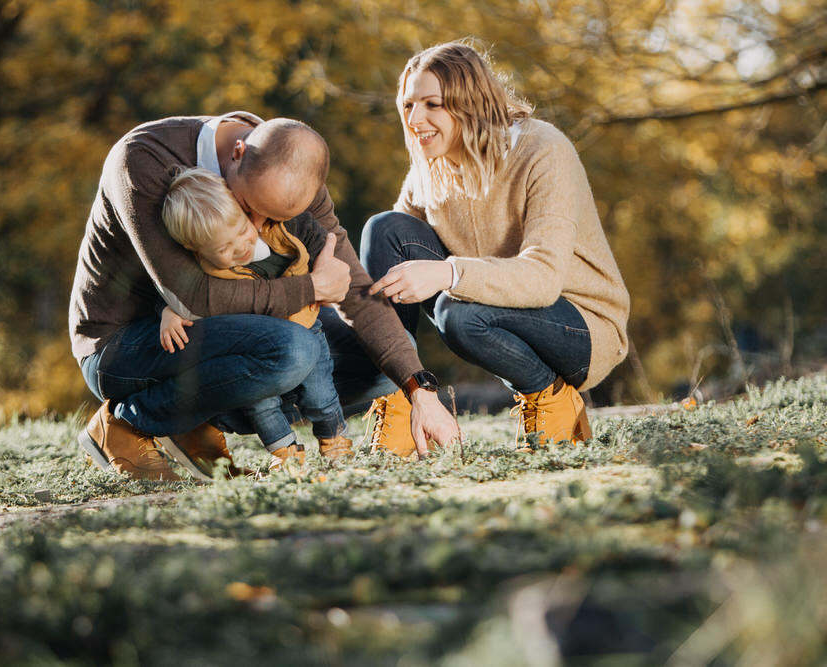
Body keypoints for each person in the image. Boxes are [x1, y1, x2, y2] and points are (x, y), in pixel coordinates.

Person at [69, 113, 460, 481]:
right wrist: (309, 288)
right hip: (127, 343)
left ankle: (196, 415)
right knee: (293, 350)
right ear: (237, 154)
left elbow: (356, 290)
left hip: (234, 331)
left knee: (387, 355)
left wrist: (418, 389)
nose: (256, 233)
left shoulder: (292, 173)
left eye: (273, 219)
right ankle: (127, 422)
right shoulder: (143, 158)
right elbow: (193, 296)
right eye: (250, 209)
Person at [361, 41, 630, 446]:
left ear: (469, 103)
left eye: (432, 104)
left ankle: (551, 398)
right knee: (383, 229)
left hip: (580, 324)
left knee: (459, 314)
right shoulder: (429, 169)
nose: (415, 119)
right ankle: (403, 400)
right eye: (409, 105)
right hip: (484, 305)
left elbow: (542, 278)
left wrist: (449, 272)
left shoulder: (543, 150)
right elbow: (391, 254)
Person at [158, 167, 351, 468]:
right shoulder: (206, 274)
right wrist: (170, 312)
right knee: (262, 406)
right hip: (255, 351)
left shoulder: (279, 234)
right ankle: (286, 454)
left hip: (305, 327)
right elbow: (188, 298)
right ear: (194, 249)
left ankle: (334, 440)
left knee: (320, 396)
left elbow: (319, 248)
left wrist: (325, 268)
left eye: (241, 231)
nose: (241, 248)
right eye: (224, 248)